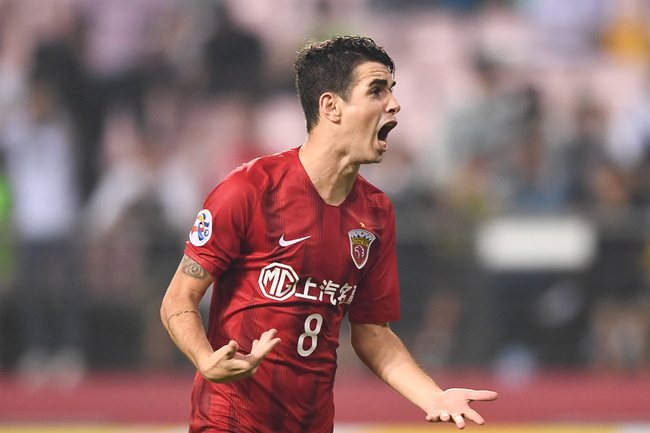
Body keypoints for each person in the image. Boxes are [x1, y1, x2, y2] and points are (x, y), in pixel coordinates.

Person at [160, 35, 498, 432]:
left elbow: (372, 333)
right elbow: (178, 298)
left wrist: (432, 396)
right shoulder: (248, 190)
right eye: (376, 90)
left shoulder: (375, 214)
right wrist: (204, 357)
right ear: (331, 106)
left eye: (392, 90)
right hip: (230, 422)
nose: (394, 104)